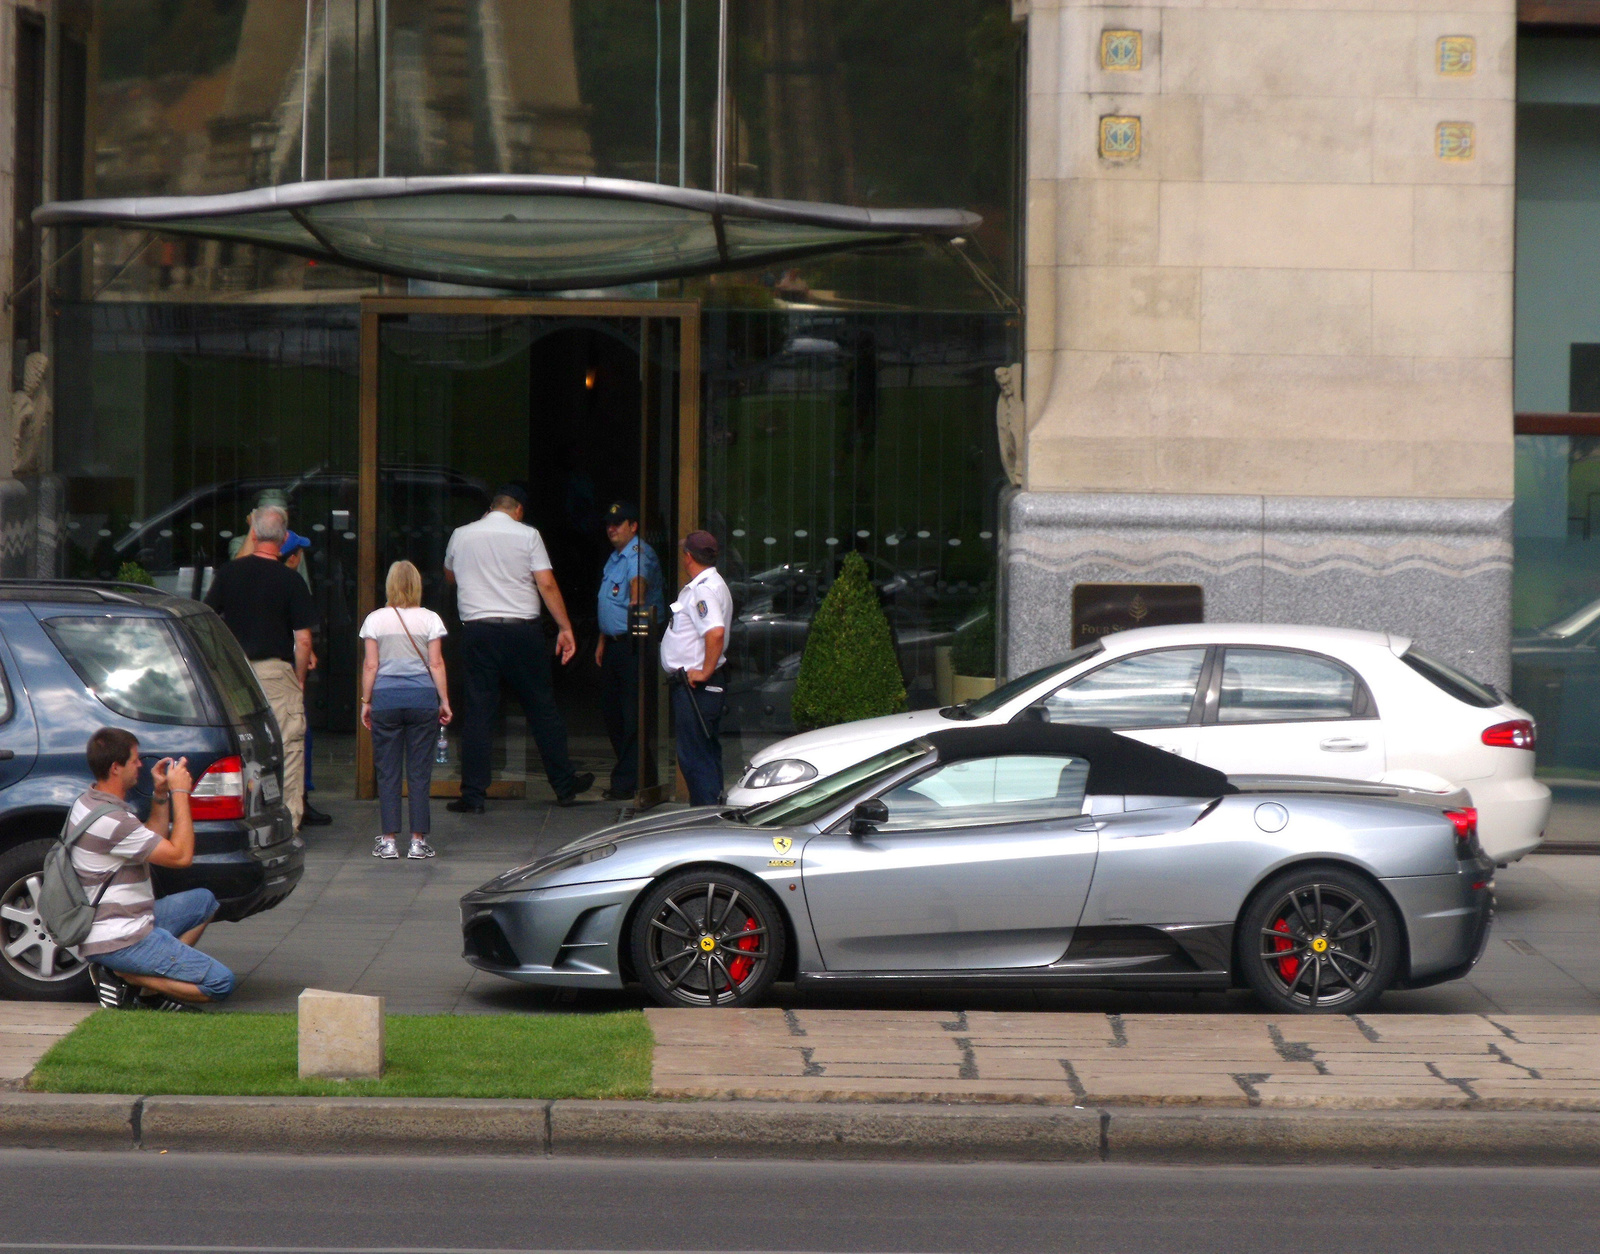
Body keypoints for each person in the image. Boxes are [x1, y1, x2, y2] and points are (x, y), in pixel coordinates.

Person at [443, 484, 594, 811]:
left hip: (478, 631)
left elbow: (451, 576)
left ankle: (473, 795)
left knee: (479, 712)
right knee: (541, 708)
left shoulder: (461, 534)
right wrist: (566, 628)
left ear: (492, 507)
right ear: (519, 510)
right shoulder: (528, 535)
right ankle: (564, 787)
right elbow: (547, 583)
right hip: (522, 633)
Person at [74, 727, 236, 1011]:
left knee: (203, 901)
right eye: (135, 760)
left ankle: (148, 992)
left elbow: (151, 841)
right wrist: (181, 793)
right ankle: (124, 976)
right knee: (221, 983)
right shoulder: (113, 820)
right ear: (115, 768)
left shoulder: (89, 803)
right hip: (119, 936)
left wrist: (161, 794)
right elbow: (181, 856)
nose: (141, 765)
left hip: (123, 919)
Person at [204, 503, 317, 829]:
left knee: (243, 750)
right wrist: (298, 679)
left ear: (253, 534)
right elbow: (304, 641)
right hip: (274, 672)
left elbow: (208, 620)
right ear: (283, 542)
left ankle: (245, 823)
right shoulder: (291, 581)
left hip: (237, 674)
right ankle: (286, 827)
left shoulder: (228, 574)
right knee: (288, 750)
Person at [359, 560, 452, 860]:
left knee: (387, 772)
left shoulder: (375, 620)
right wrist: (445, 700)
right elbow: (436, 664)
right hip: (422, 700)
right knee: (419, 772)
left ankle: (388, 841)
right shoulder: (430, 619)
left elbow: (371, 664)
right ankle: (417, 841)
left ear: (389, 585)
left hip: (385, 701)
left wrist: (366, 701)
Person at [594, 502, 665, 800]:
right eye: (609, 523)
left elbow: (639, 583)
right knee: (613, 714)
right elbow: (609, 603)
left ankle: (625, 784)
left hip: (634, 643)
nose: (612, 528)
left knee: (631, 714)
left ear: (633, 526)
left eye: (619, 523)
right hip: (614, 643)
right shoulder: (614, 558)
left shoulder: (639, 555)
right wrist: (602, 639)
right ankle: (644, 775)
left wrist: (637, 602)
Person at [661, 530, 732, 806]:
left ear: (688, 556)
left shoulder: (702, 589)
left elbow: (714, 632)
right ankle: (711, 815)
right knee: (704, 752)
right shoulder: (712, 583)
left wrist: (704, 671)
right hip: (697, 685)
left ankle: (706, 821)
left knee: (695, 757)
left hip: (697, 687)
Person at [281, 530, 332, 828]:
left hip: (266, 664)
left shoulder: (263, 579)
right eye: (299, 552)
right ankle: (299, 800)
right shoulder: (291, 582)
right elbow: (301, 635)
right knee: (299, 735)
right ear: (292, 557)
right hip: (285, 669)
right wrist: (301, 675)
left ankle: (298, 798)